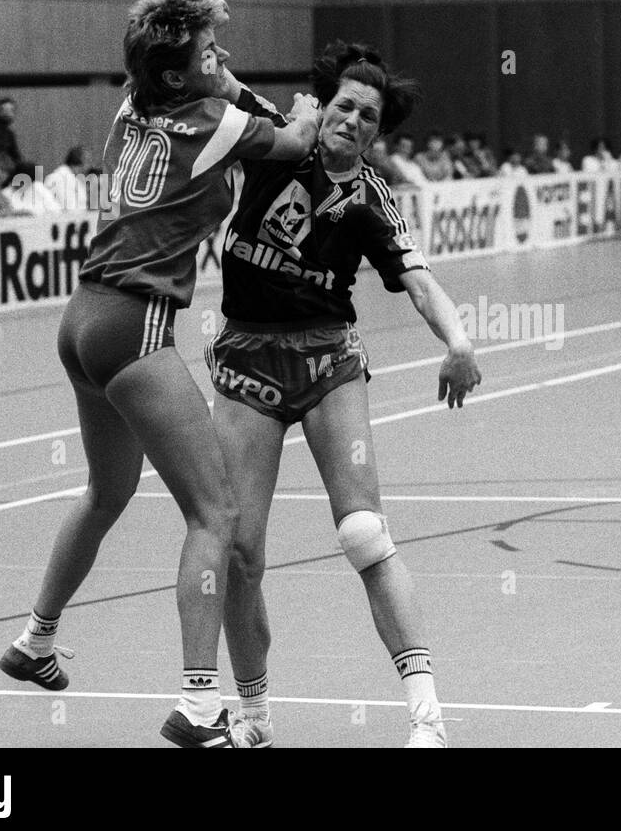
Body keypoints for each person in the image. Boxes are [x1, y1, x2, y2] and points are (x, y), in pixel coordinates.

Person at [0, 0, 321, 748]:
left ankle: (35, 639)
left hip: (79, 321)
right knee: (217, 513)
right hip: (136, 324)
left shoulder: (134, 104)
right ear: (184, 74)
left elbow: (175, 36)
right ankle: (199, 703)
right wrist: (312, 108)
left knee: (107, 494)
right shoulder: (219, 120)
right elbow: (297, 144)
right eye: (212, 49)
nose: (222, 49)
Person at [202, 40, 482, 748]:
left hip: (327, 360)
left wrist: (459, 343)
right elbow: (211, 74)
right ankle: (256, 716)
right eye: (346, 107)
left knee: (363, 532)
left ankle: (428, 721)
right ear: (324, 106)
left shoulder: (372, 198)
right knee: (239, 551)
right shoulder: (277, 137)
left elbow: (419, 282)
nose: (354, 121)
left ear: (377, 133)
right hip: (245, 360)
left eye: (370, 117)